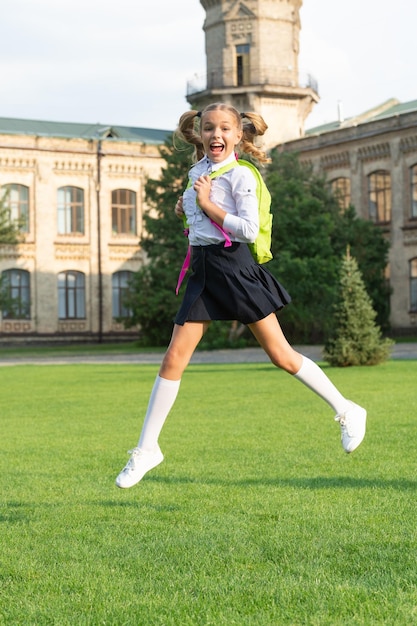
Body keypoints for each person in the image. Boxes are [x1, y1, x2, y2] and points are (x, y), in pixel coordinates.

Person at [115, 102, 366, 489]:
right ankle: (147, 448)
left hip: (235, 269)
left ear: (238, 135)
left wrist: (206, 205)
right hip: (203, 270)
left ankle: (347, 409)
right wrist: (185, 209)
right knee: (173, 357)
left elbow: (247, 229)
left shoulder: (242, 175)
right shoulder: (197, 170)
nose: (216, 135)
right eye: (209, 128)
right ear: (199, 133)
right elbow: (199, 225)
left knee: (281, 356)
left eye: (225, 129)